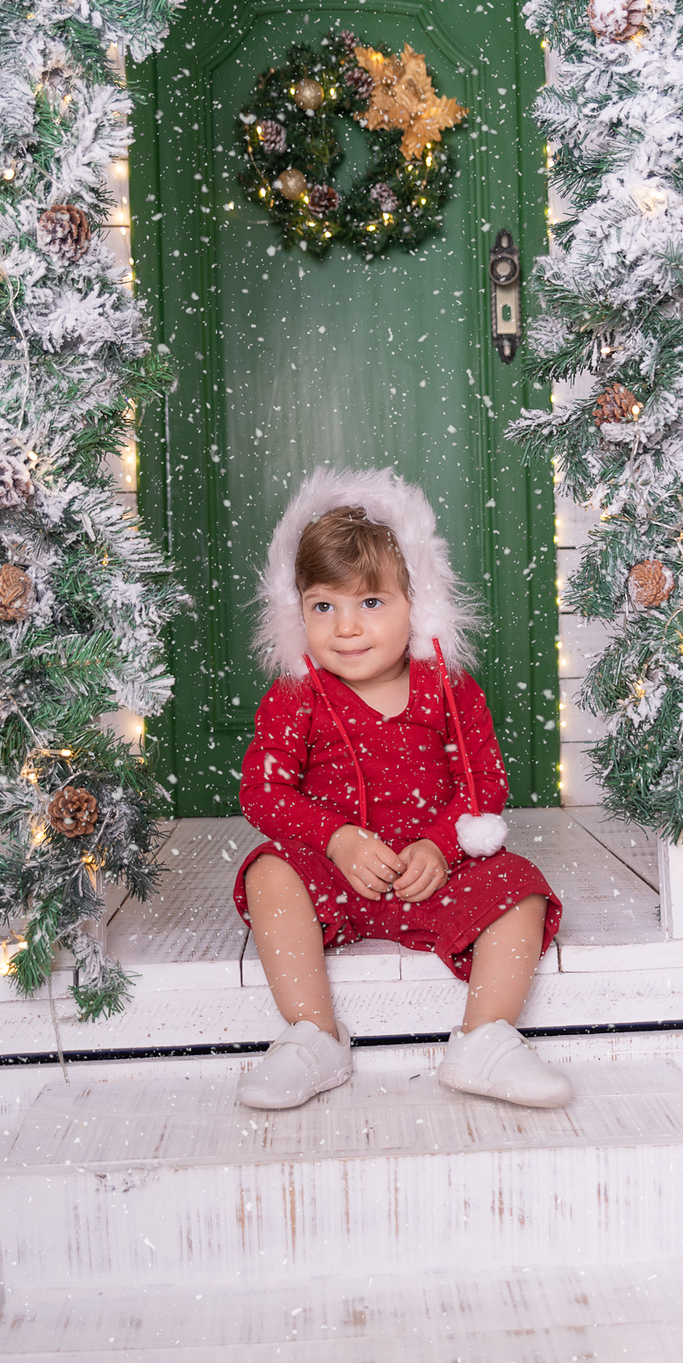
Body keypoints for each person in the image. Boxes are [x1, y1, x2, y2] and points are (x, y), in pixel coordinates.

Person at [233, 466, 567, 1112]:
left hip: (435, 876)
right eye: (323, 607)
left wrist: (442, 844)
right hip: (335, 878)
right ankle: (313, 1034)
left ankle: (485, 1037)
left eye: (371, 603)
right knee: (268, 874)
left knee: (520, 885)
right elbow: (263, 793)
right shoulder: (297, 696)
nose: (346, 628)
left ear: (419, 603)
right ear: (296, 612)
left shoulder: (448, 689)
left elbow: (483, 781)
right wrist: (336, 840)